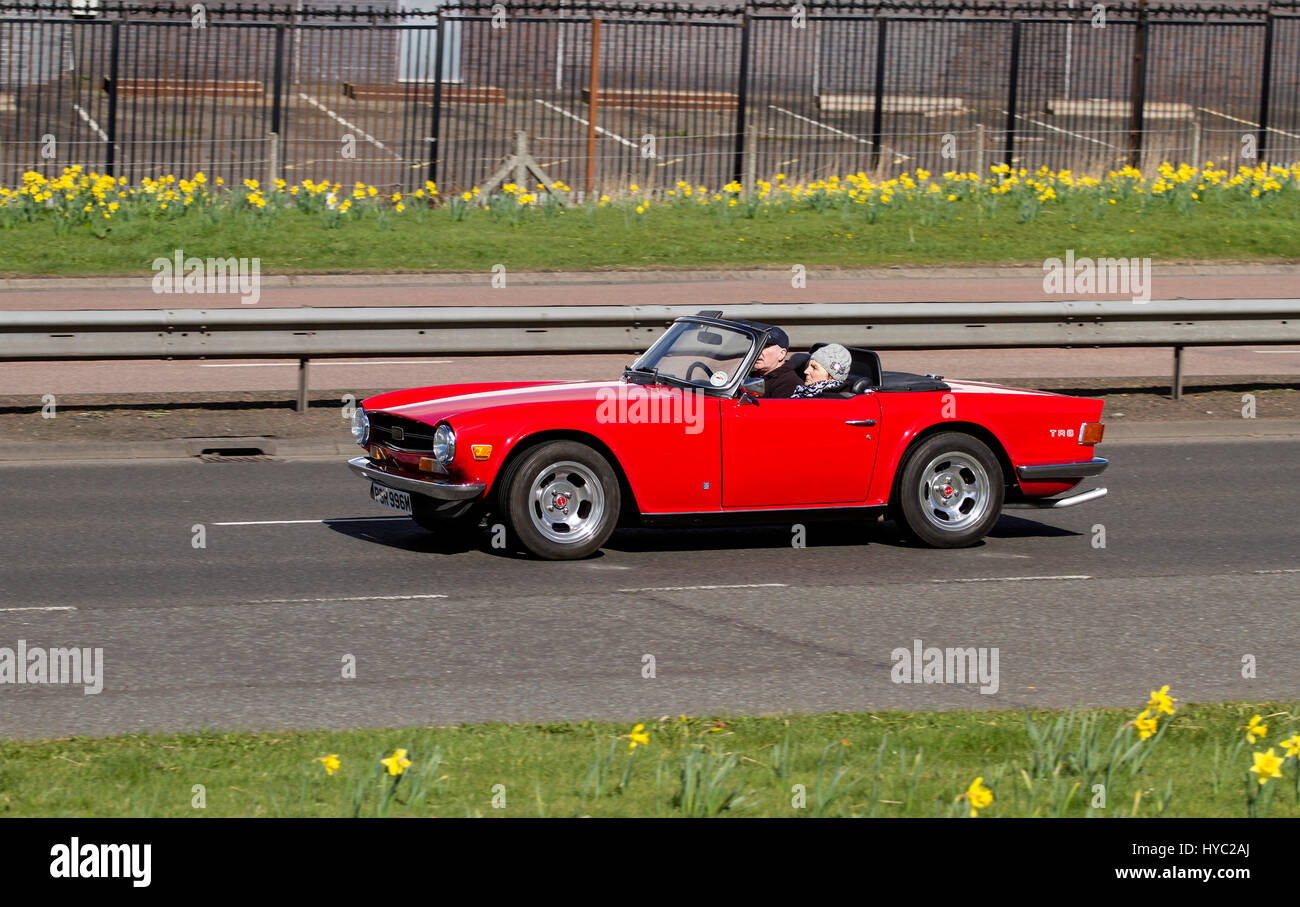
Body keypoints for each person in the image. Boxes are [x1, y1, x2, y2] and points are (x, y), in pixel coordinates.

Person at [742, 322, 800, 398]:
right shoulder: (750, 375)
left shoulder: (789, 382)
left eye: (765, 346)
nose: (757, 351)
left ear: (781, 354)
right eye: (755, 345)